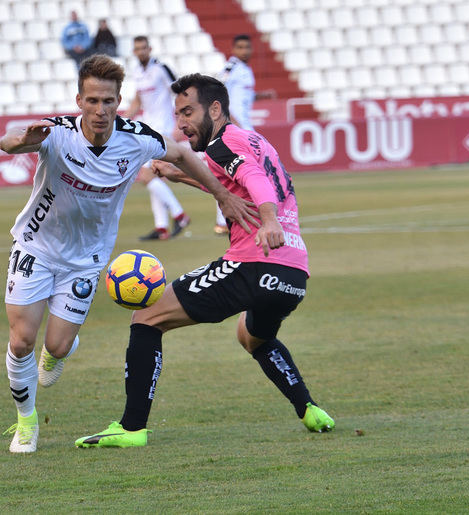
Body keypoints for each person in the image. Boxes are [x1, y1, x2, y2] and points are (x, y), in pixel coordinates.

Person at [0, 55, 255, 453]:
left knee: (59, 347)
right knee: (21, 341)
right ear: (79, 100)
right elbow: (8, 141)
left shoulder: (137, 138)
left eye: (108, 102)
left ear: (119, 101)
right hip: (36, 246)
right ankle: (26, 422)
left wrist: (221, 195)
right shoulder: (56, 133)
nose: (100, 110)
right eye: (92, 101)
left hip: (85, 260)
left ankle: (59, 350)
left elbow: (184, 155)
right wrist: (22, 139)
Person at [75, 74, 334, 449]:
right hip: (293, 273)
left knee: (146, 318)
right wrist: (178, 175)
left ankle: (131, 429)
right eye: (178, 114)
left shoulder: (225, 142)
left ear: (215, 109)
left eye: (188, 112)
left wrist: (269, 220)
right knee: (253, 337)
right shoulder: (253, 140)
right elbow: (229, 180)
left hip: (254, 262)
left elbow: (254, 179)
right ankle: (309, 409)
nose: (181, 123)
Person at [125, 36, 191, 241]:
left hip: (163, 128)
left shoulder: (161, 68)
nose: (141, 51)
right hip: (147, 127)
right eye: (137, 48)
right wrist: (122, 121)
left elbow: (180, 92)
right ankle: (162, 227)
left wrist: (181, 120)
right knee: (153, 175)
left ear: (150, 49)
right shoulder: (137, 72)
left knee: (145, 174)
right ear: (134, 51)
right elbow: (138, 99)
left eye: (144, 48)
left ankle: (179, 215)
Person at [213, 34, 277, 235]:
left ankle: (230, 220)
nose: (244, 51)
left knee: (245, 174)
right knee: (241, 173)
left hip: (246, 128)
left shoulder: (246, 70)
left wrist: (260, 95)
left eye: (247, 47)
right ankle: (225, 221)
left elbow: (241, 97)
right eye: (240, 47)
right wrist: (232, 122)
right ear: (234, 49)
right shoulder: (230, 68)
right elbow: (217, 92)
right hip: (237, 129)